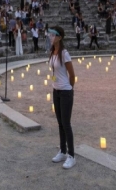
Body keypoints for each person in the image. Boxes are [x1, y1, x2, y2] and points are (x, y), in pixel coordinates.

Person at [48, 26, 76, 169]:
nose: (50, 37)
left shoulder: (64, 54)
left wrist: (70, 89)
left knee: (66, 123)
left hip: (65, 91)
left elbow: (72, 75)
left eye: (53, 35)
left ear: (59, 37)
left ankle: (71, 155)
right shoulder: (53, 52)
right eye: (50, 34)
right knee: (59, 123)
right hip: (56, 91)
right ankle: (63, 151)